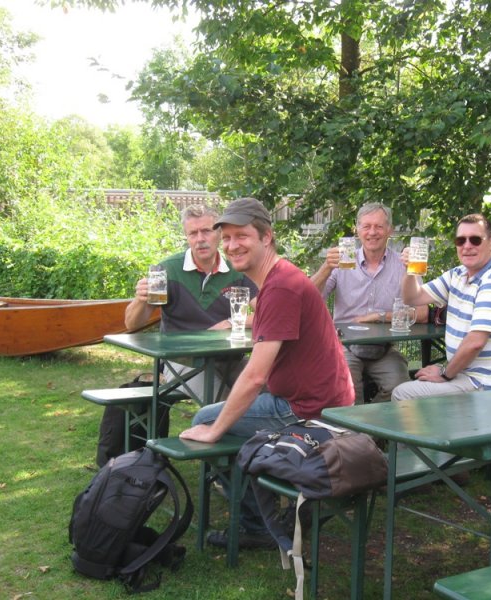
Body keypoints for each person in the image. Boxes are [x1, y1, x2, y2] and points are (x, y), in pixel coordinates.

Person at [180, 197, 355, 550]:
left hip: (308, 408)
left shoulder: (280, 287)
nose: (232, 246)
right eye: (227, 238)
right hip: (317, 398)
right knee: (231, 412)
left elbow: (255, 376)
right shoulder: (279, 278)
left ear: (266, 237)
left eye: (242, 236)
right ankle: (265, 496)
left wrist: (215, 430)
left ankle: (257, 524)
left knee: (207, 419)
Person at [124, 203, 258, 403]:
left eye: (206, 231)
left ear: (219, 233)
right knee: (225, 406)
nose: (200, 239)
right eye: (193, 233)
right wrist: (140, 300)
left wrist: (230, 323)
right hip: (181, 360)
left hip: (229, 358)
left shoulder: (236, 269)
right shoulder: (167, 269)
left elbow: (268, 313)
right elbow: (132, 324)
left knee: (270, 389)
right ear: (186, 237)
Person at [391, 213, 491, 402]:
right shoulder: (458, 275)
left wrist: (445, 373)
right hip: (468, 375)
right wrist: (410, 270)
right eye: (461, 240)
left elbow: (475, 342)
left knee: (403, 394)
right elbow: (413, 297)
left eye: (475, 240)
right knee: (415, 380)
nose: (467, 246)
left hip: (490, 384)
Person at [311, 202, 428, 404]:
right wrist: (325, 268)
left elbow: (423, 313)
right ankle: (354, 423)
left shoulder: (403, 264)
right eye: (366, 226)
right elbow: (308, 299)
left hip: (384, 349)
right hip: (345, 346)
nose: (372, 232)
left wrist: (379, 316)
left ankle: (370, 423)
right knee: (347, 392)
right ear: (357, 230)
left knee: (402, 391)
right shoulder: (342, 261)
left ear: (390, 230)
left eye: (379, 226)